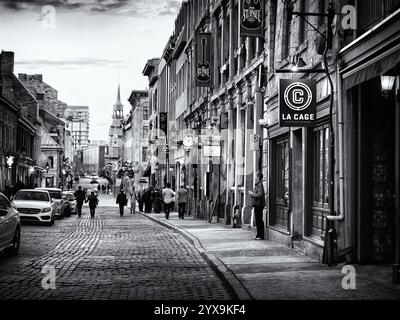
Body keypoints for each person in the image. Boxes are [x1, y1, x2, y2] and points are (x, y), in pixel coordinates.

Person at [249, 172, 266, 240]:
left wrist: (252, 194)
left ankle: (260, 235)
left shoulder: (259, 185)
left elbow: (260, 195)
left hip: (259, 205)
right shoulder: (257, 184)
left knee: (259, 220)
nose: (255, 177)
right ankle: (258, 235)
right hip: (257, 204)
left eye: (256, 176)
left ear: (258, 177)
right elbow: (257, 194)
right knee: (258, 220)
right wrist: (252, 194)